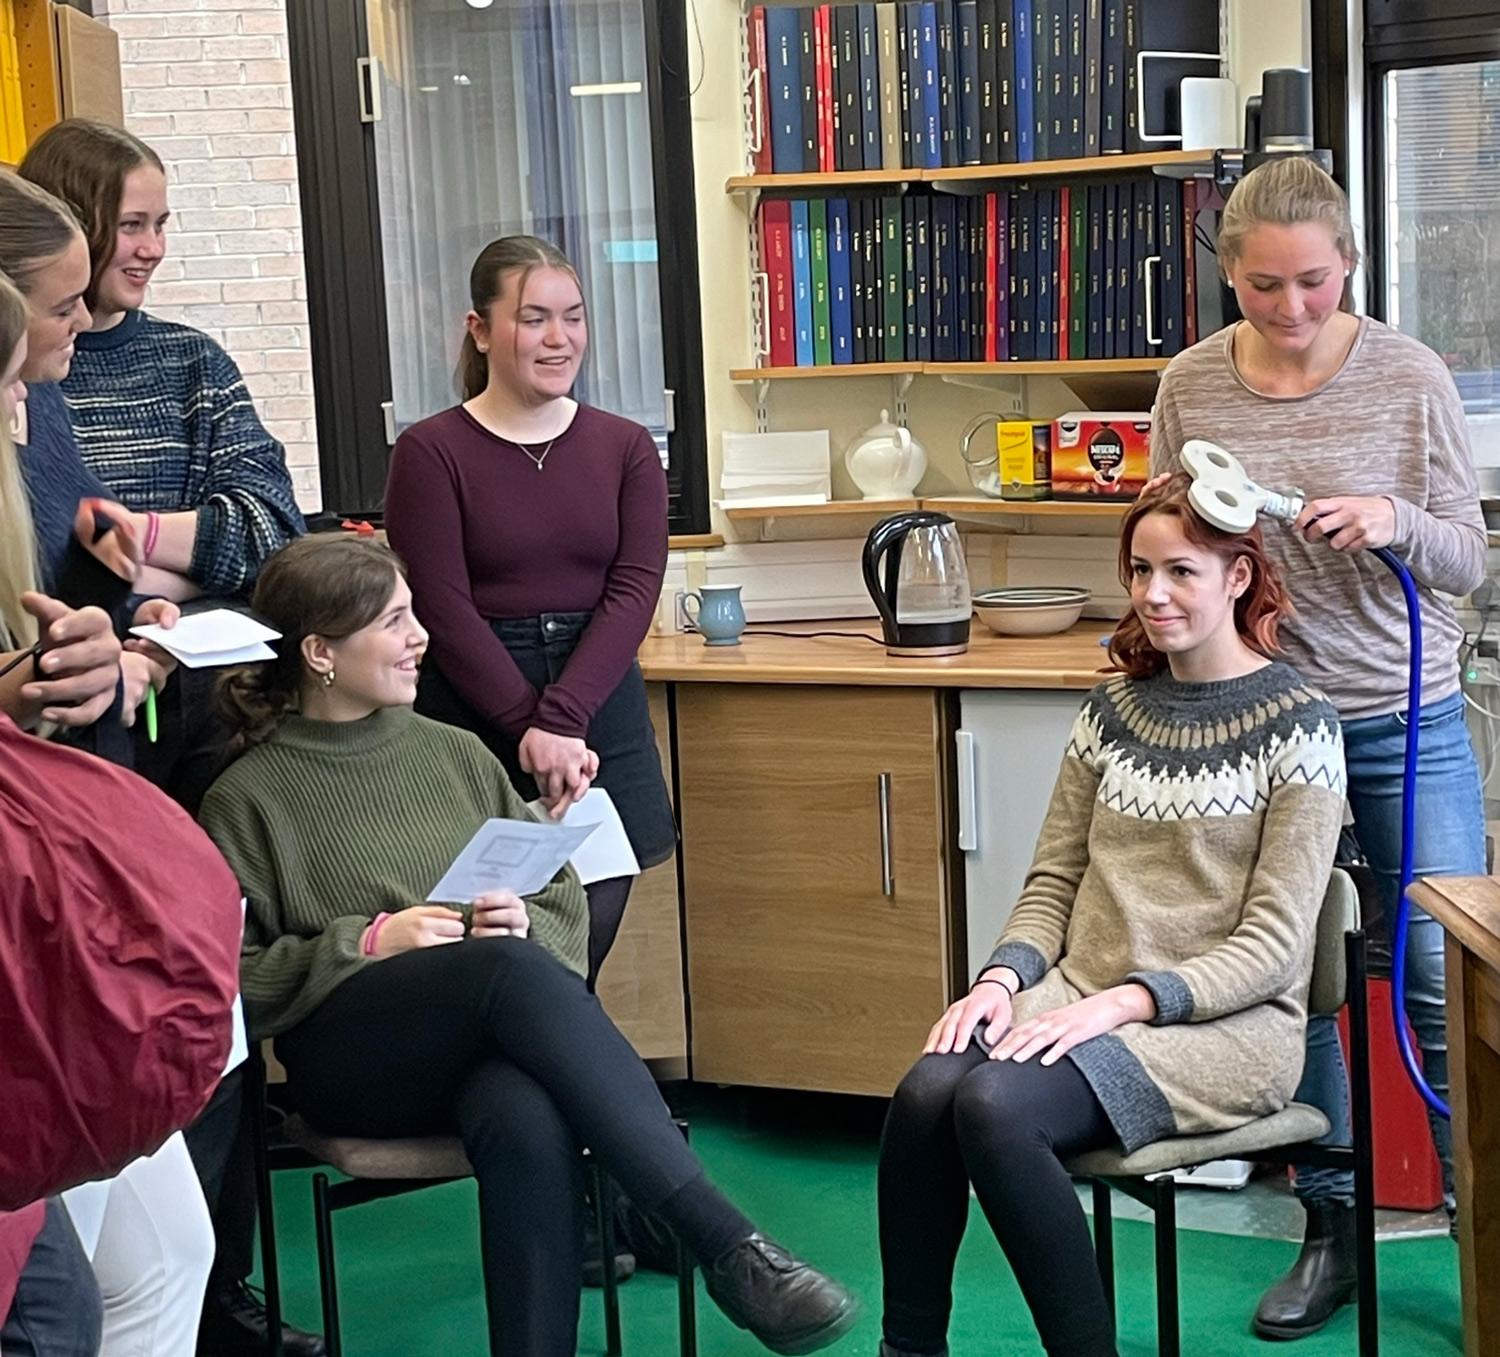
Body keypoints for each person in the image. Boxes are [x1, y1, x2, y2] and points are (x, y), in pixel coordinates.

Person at [197, 534, 858, 1357]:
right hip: (354, 1066)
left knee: (525, 1106)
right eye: (395, 620)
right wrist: (365, 940)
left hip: (483, 1031)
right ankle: (722, 1239)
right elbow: (225, 985)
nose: (421, 638)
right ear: (320, 652)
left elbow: (557, 896)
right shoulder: (243, 799)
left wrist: (524, 920)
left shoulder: (454, 751)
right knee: (502, 974)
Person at [877, 478, 1347, 1357]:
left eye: (1181, 571)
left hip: (1229, 1030)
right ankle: (908, 1350)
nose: (1153, 593)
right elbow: (1054, 877)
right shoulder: (1111, 714)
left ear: (1239, 577)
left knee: (994, 1104)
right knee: (928, 1087)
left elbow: (1278, 948)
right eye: (1139, 569)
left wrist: (1124, 1002)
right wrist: (999, 979)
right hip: (1081, 995)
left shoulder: (1302, 726)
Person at [1148, 153, 1486, 1340]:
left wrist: (1397, 522)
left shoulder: (1408, 375)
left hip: (1406, 718)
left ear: (1350, 268)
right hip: (1262, 731)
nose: (1290, 313)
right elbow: (1165, 540)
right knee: (1292, 983)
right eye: (1262, 289)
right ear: (1226, 274)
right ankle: (1332, 1228)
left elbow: (1470, 560)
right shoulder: (1190, 384)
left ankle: (1482, 1224)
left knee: (1446, 981)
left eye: (1314, 286)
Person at [385, 235, 674, 989]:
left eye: (573, 318)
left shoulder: (625, 446)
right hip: (476, 698)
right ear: (479, 330)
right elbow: (441, 607)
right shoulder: (429, 450)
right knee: (488, 913)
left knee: (596, 893)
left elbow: (635, 587)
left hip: (596, 688)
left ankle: (554, 1055)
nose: (559, 338)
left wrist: (565, 720)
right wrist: (528, 727)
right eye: (534, 318)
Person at [20, 119, 303, 605]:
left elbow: (273, 531)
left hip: (206, 666)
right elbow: (35, 561)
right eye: (131, 225)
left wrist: (139, 536)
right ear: (69, 228)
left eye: (160, 224)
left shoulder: (195, 364)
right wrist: (186, 570)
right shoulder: (24, 381)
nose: (153, 249)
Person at [0, 269, 122, 735]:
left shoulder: (43, 401)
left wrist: (126, 624)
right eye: (65, 305)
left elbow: (110, 529)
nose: (22, 396)